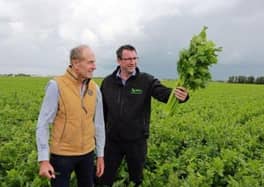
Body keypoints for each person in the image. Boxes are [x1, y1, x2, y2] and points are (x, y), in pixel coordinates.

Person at [99, 44, 189, 186]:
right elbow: (101, 111)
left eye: (135, 58)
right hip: (112, 141)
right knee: (104, 177)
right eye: (128, 59)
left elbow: (163, 93)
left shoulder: (146, 80)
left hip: (136, 141)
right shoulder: (107, 82)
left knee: (136, 179)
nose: (132, 62)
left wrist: (180, 96)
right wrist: (99, 135)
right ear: (119, 61)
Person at [36, 44, 105, 187]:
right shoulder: (56, 85)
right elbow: (43, 123)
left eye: (94, 62)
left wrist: (100, 155)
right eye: (90, 62)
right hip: (62, 155)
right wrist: (43, 160)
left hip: (87, 153)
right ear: (76, 63)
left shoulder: (95, 88)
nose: (94, 66)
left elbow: (99, 124)